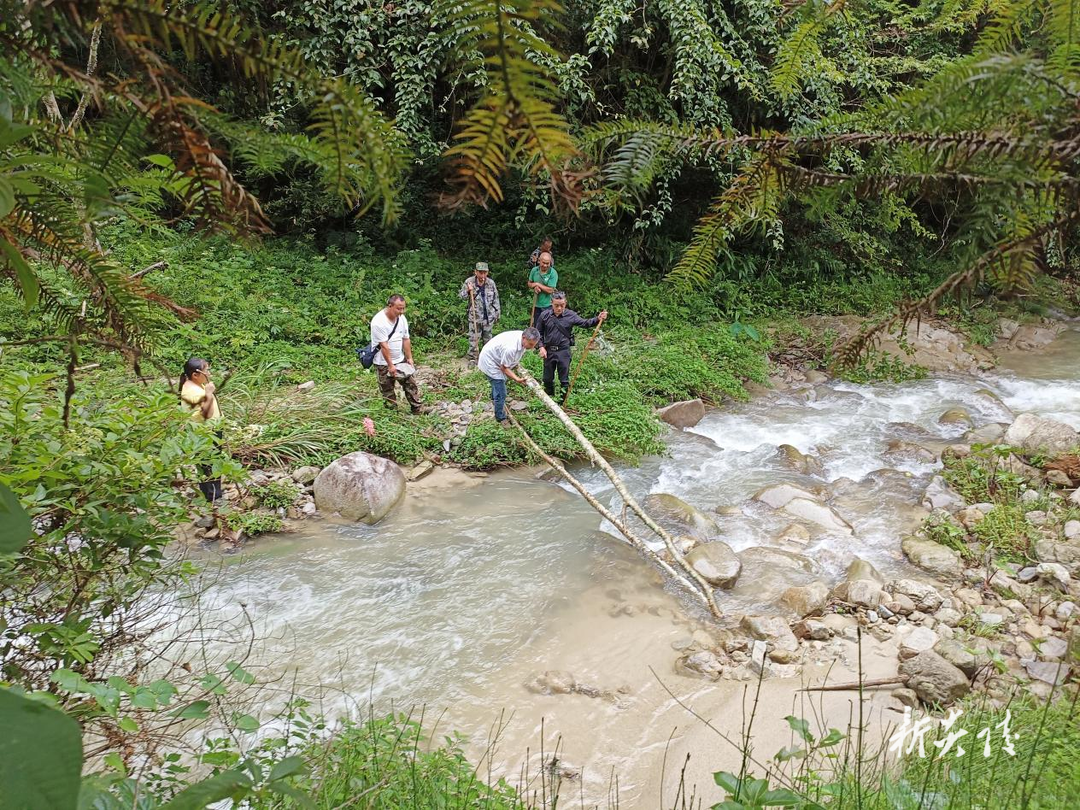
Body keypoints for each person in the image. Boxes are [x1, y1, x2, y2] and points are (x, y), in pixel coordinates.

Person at [536, 292, 607, 405]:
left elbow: (585, 323)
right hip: (549, 351)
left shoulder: (571, 315)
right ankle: (549, 403)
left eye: (562, 305)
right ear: (551, 303)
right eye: (556, 305)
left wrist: (598, 319)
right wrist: (541, 347)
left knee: (564, 380)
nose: (559, 308)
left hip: (563, 351)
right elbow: (538, 333)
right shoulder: (544, 315)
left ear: (565, 303)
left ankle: (561, 403)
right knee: (547, 379)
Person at [370, 294, 427, 414]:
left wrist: (409, 358)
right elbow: (384, 346)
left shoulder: (402, 318)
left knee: (410, 383)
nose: (401, 311)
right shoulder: (378, 322)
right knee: (387, 389)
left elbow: (406, 339)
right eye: (398, 308)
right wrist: (390, 365)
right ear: (390, 306)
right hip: (383, 362)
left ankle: (417, 409)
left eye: (403, 308)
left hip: (400, 359)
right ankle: (392, 414)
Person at [179, 357, 224, 503]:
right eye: (206, 370)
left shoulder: (195, 385)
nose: (209, 373)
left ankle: (211, 495)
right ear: (195, 375)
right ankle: (213, 498)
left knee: (209, 462)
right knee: (209, 464)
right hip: (206, 433)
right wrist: (209, 393)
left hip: (207, 431)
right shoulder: (193, 392)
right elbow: (207, 414)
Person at [478, 327, 541, 425]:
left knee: (498, 385)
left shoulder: (522, 337)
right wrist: (517, 379)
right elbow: (504, 368)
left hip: (496, 357)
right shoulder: (511, 348)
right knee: (501, 390)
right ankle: (500, 417)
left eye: (534, 345)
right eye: (530, 344)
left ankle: (494, 399)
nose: (532, 347)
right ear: (524, 338)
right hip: (490, 362)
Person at [458, 261, 501, 363]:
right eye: (480, 272)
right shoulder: (469, 282)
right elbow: (461, 296)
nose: (482, 275)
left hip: (488, 316)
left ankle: (488, 358)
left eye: (484, 273)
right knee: (474, 339)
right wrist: (468, 291)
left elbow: (496, 299)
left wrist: (497, 313)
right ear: (475, 272)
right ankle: (473, 358)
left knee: (488, 339)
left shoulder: (491, 283)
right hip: (475, 316)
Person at [527, 251, 558, 326]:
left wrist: (537, 284)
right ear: (539, 261)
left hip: (549, 305)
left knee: (548, 327)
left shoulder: (553, 273)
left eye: (547, 263)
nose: (545, 265)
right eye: (543, 262)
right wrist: (534, 287)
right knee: (537, 327)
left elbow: (550, 290)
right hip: (536, 305)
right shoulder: (534, 270)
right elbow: (529, 283)